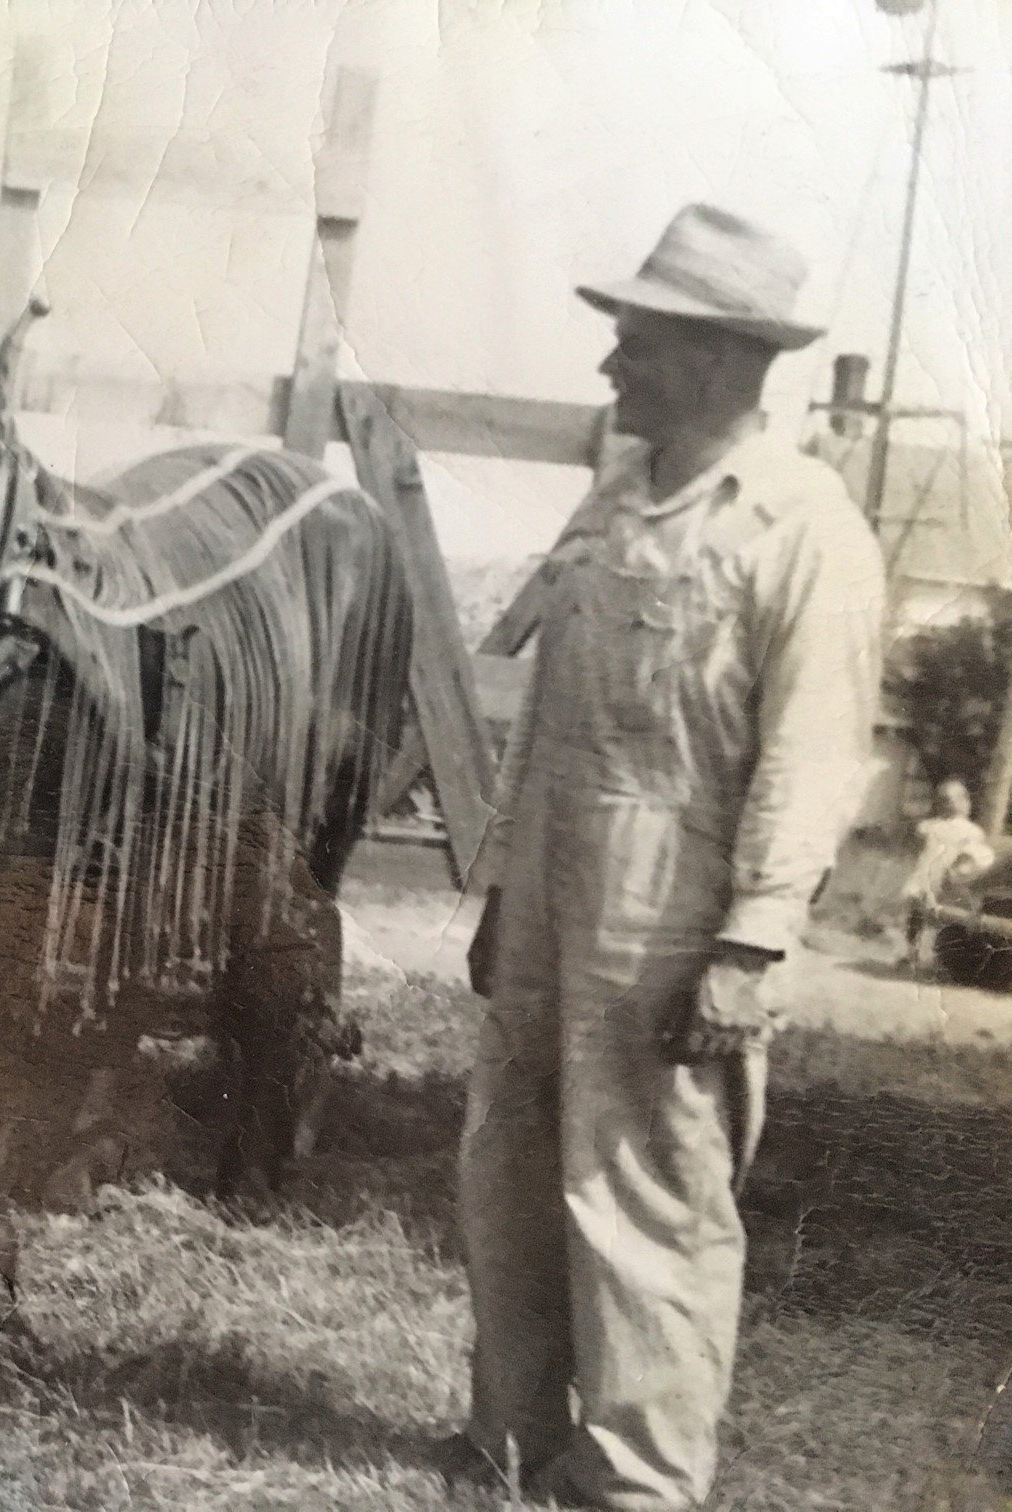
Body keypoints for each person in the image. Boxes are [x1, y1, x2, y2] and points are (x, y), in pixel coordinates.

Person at [445, 205, 886, 1509]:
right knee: (510, 1158)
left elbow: (814, 754)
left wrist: (751, 941)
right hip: (553, 879)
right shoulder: (613, 503)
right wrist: (504, 886)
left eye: (631, 342)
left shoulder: (802, 529)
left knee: (650, 1186)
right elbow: (552, 715)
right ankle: (511, 1442)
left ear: (712, 356)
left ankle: (639, 1482)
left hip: (680, 896)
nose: (607, 368)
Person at [899, 778, 996, 966]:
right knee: (916, 909)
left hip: (951, 877)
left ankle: (943, 954)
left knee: (945, 914)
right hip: (927, 873)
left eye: (954, 799)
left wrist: (960, 871)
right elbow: (918, 851)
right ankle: (912, 951)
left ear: (964, 801)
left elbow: (974, 856)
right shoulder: (930, 826)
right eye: (944, 799)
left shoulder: (971, 831)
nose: (949, 804)